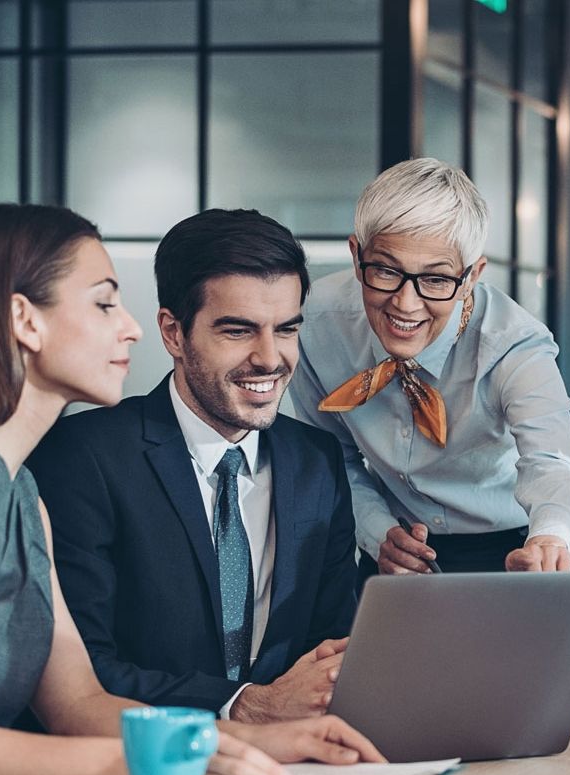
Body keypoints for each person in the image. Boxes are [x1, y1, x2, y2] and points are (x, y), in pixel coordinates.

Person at [0, 204, 379, 775]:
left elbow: (80, 706)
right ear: (25, 320)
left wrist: (262, 742)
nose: (131, 328)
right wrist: (151, 770)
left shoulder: (20, 491)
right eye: (105, 303)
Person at [30, 209, 361, 724]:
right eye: (238, 331)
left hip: (300, 763)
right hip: (141, 769)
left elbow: (334, 645)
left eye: (287, 329)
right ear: (173, 334)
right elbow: (81, 670)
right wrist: (244, 707)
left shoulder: (317, 462)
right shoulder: (83, 457)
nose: (270, 358)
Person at [290, 158, 570, 577]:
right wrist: (378, 533)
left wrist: (551, 537)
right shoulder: (315, 323)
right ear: (356, 254)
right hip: (396, 550)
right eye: (385, 271)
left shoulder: (512, 344)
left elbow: (553, 460)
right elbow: (330, 458)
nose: (405, 304)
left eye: (435, 280)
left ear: (471, 276)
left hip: (520, 546)